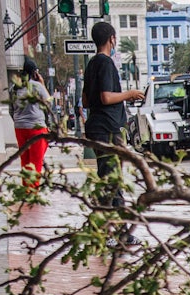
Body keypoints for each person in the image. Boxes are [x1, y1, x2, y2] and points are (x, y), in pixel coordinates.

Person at [82, 21, 143, 241]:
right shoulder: (106, 63)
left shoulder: (91, 65)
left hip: (96, 127)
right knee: (113, 180)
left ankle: (113, 231)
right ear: (112, 39)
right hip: (108, 128)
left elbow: (85, 100)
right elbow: (105, 97)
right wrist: (129, 94)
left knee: (108, 178)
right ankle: (112, 232)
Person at [10, 57, 52, 191]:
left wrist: (19, 120)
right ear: (35, 72)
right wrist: (42, 83)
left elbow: (11, 109)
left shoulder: (14, 88)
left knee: (25, 159)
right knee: (36, 159)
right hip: (36, 128)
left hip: (19, 128)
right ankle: (33, 189)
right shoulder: (37, 86)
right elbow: (48, 102)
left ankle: (26, 187)